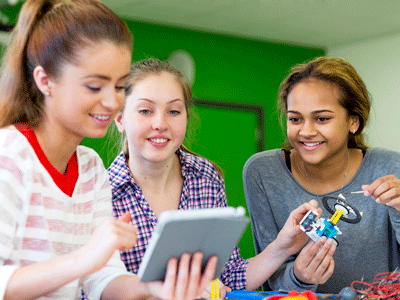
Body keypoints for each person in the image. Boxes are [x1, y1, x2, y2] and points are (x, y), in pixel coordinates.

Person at [0, 1, 217, 299]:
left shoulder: (90, 167)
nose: (112, 102)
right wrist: (84, 258)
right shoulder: (9, 155)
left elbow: (102, 278)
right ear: (45, 81)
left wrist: (152, 289)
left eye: (119, 87)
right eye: (94, 87)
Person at [108, 58, 329, 296]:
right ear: (120, 119)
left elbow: (230, 276)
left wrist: (282, 247)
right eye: (145, 111)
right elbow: (88, 289)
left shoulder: (206, 177)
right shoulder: (100, 190)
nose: (160, 123)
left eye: (173, 111)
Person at [243, 56, 400, 294]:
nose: (306, 131)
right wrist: (299, 277)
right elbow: (267, 278)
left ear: (353, 122)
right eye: (295, 119)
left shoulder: (391, 166)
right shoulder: (263, 172)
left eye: (322, 118)